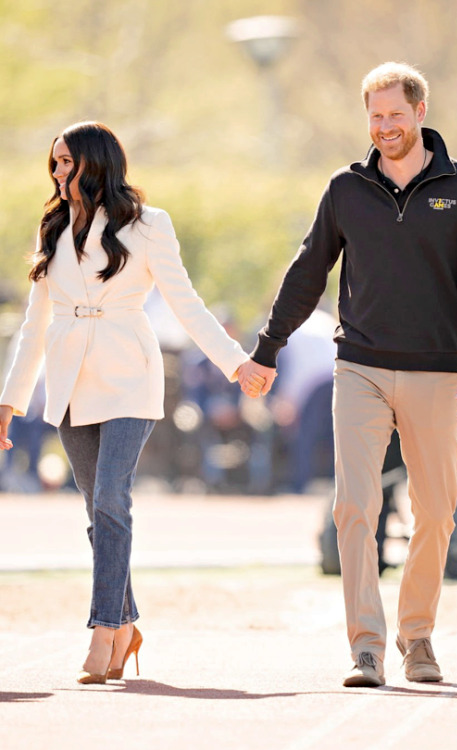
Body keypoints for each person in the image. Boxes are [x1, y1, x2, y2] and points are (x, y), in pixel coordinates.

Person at [238, 62, 457, 687]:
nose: (384, 127)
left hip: (439, 372)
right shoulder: (346, 188)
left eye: (395, 115)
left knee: (435, 512)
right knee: (354, 506)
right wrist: (266, 349)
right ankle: (366, 647)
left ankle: (418, 636)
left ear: (419, 113)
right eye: (375, 116)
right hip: (358, 365)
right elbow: (308, 272)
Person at [0, 121, 263, 685]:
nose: (59, 172)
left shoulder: (149, 225)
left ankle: (101, 629)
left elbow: (187, 304)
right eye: (55, 163)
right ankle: (126, 625)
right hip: (70, 381)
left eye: (68, 161)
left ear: (97, 162)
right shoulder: (52, 226)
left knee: (112, 499)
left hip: (129, 378)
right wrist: (9, 401)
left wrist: (236, 362)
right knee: (96, 510)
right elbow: (34, 322)